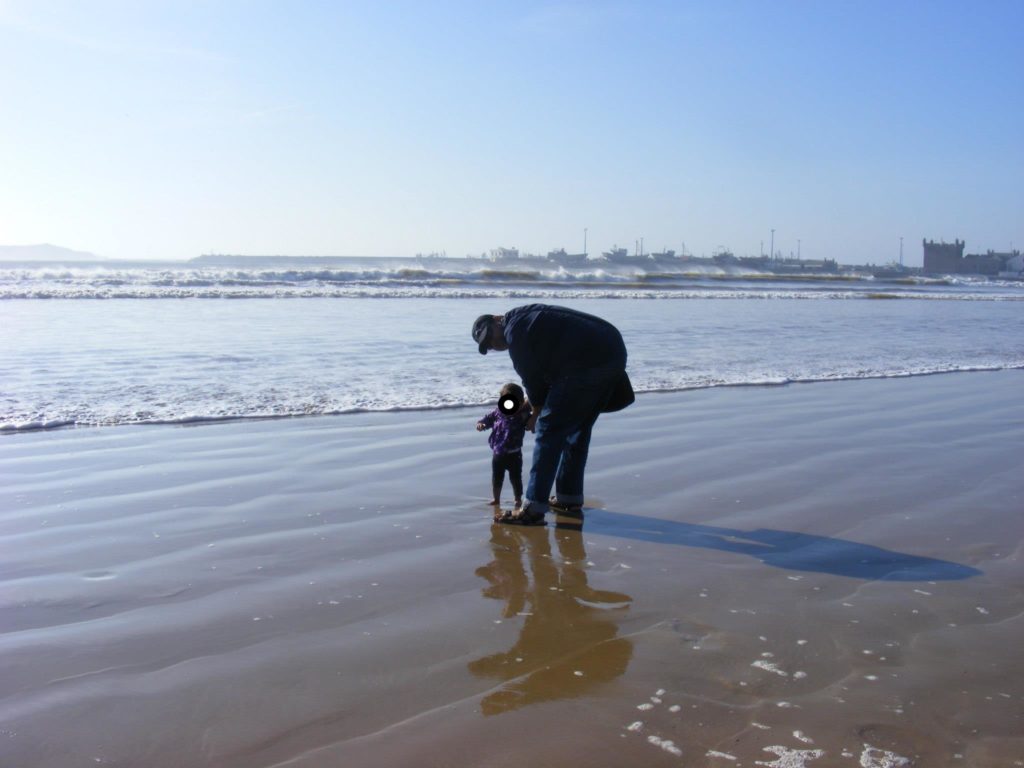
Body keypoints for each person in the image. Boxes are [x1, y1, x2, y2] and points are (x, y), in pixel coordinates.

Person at [472, 304, 632, 526]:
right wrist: (533, 404)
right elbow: (544, 376)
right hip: (611, 350)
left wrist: (536, 412)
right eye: (488, 345)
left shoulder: (515, 329)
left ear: (497, 319)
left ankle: (533, 509)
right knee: (577, 429)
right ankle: (569, 498)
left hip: (590, 361)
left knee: (548, 429)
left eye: (489, 336)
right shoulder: (528, 320)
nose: (493, 344)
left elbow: (531, 378)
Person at [476, 382, 532, 510]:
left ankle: (517, 499)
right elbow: (487, 420)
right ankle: (496, 499)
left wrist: (531, 420)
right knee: (497, 478)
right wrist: (481, 424)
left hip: (515, 454)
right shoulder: (498, 413)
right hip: (498, 454)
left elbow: (531, 425)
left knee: (516, 478)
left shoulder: (522, 415)